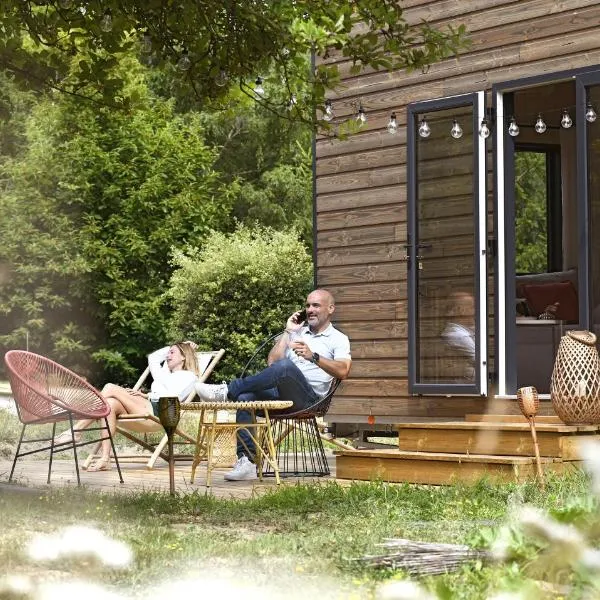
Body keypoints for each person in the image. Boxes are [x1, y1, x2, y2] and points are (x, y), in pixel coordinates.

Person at [195, 288, 352, 481]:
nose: (310, 309)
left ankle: (228, 390)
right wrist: (288, 332)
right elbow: (272, 362)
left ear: (330, 309)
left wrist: (314, 357)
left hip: (309, 399)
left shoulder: (338, 338)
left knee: (285, 367)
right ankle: (247, 462)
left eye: (316, 305)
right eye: (308, 305)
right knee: (245, 399)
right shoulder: (297, 333)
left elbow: (343, 371)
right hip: (281, 393)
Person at [54, 342, 200, 471]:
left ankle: (77, 430)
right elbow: (153, 358)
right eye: (168, 352)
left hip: (161, 413)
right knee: (110, 404)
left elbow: (172, 397)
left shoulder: (189, 377)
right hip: (147, 408)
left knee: (109, 387)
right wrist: (175, 346)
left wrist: (146, 395)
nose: (168, 355)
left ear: (184, 357)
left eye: (172, 353)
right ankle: (105, 458)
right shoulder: (164, 373)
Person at [441, 291, 476, 381]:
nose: (475, 311)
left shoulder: (463, 331)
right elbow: (480, 362)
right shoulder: (458, 336)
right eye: (472, 307)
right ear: (462, 310)